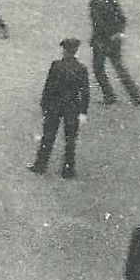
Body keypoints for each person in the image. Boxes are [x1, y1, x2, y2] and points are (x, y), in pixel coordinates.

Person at [29, 38, 90, 178]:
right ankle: (68, 169)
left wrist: (44, 104)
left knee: (48, 136)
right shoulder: (81, 69)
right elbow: (85, 92)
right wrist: (83, 112)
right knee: (70, 139)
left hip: (54, 106)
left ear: (64, 50)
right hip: (72, 107)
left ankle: (40, 165)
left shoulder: (56, 66)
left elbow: (48, 87)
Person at [87, 0, 140, 106]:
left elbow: (99, 24)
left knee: (99, 68)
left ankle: (109, 95)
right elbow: (121, 18)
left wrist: (103, 37)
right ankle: (137, 98)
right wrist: (118, 33)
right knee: (119, 68)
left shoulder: (95, 3)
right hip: (113, 39)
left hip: (102, 40)